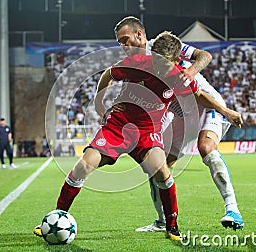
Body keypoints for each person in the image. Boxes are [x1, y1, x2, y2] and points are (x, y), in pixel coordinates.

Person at [34, 31, 242, 241]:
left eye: (165, 65)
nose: (161, 69)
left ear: (176, 60)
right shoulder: (136, 63)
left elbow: (200, 95)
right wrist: (99, 100)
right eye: (158, 63)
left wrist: (227, 112)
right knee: (83, 166)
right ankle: (56, 216)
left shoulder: (179, 75)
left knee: (162, 172)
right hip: (118, 125)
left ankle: (171, 226)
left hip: (148, 131)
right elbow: (108, 74)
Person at [113, 16, 244, 231]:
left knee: (206, 148)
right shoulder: (135, 65)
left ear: (139, 34)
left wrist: (190, 72)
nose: (123, 45)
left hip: (206, 103)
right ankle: (162, 220)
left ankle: (233, 209)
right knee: (156, 166)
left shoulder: (163, 44)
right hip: (180, 114)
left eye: (125, 39)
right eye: (119, 42)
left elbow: (205, 56)